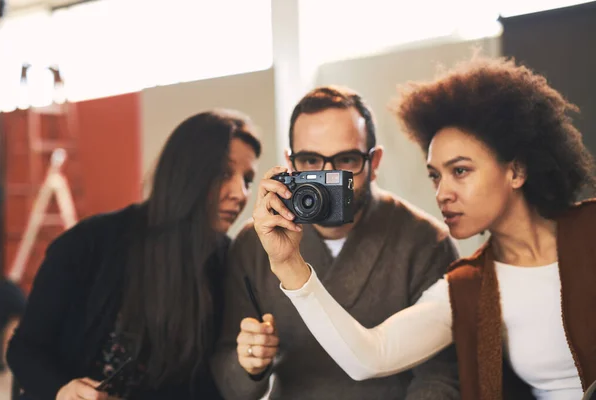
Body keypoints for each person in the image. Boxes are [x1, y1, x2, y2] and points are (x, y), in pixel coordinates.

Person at [252, 57, 596, 400]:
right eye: (435, 175)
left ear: (516, 171)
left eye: (460, 171)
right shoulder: (467, 287)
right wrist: (288, 265)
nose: (442, 193)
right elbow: (370, 356)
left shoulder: (590, 229)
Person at [211, 86, 461, 400]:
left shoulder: (425, 240)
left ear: (374, 162)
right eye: (311, 160)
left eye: (346, 159)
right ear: (290, 163)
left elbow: (441, 378)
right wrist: (251, 364)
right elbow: (227, 378)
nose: (328, 179)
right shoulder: (255, 242)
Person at [7, 109, 262, 400]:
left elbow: (207, 384)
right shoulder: (90, 241)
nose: (240, 193)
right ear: (184, 172)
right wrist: (61, 389)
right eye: (223, 173)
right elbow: (25, 349)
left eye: (247, 179)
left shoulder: (224, 263)